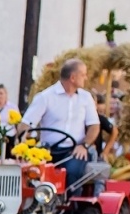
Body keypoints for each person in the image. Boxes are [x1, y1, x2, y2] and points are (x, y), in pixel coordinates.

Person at [22, 58, 100, 191]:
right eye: (83, 75)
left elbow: (94, 126)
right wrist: (22, 146)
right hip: (47, 151)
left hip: (74, 151)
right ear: (73, 77)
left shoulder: (86, 98)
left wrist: (84, 145)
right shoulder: (45, 97)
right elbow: (26, 124)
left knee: (72, 172)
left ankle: (70, 202)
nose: (86, 78)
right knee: (32, 174)